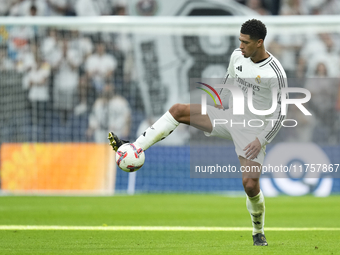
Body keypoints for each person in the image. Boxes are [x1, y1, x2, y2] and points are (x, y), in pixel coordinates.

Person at [108, 19, 287, 246]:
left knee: (250, 185)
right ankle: (135, 147)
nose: (240, 46)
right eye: (239, 41)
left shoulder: (275, 73)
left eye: (245, 42)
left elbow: (280, 115)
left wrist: (260, 139)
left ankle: (257, 231)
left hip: (253, 132)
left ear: (259, 42)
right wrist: (221, 96)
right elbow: (228, 78)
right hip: (229, 117)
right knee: (178, 110)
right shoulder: (237, 56)